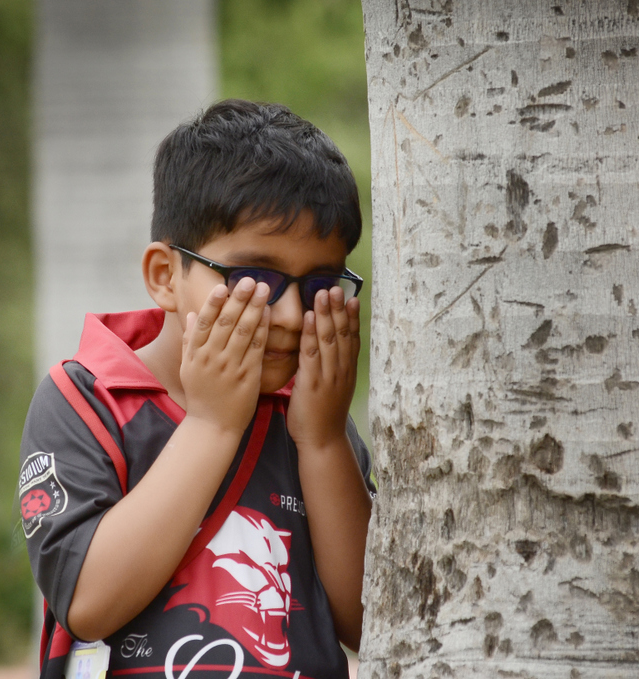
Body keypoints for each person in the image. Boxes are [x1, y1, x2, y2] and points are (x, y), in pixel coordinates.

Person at [18, 99, 374, 679]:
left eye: (320, 284)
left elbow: (368, 621)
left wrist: (325, 442)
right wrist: (213, 423)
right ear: (165, 276)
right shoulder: (88, 398)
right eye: (254, 278)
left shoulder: (316, 419)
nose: (287, 313)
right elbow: (87, 604)